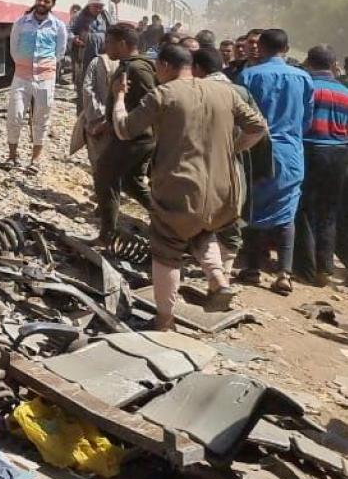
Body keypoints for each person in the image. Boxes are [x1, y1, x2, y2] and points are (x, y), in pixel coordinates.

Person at [111, 43, 267, 330]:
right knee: (203, 230)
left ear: (167, 67)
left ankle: (165, 319)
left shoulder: (163, 94)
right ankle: (218, 280)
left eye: (158, 67)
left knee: (167, 251)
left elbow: (124, 129)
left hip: (179, 189)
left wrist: (119, 97)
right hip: (223, 191)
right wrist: (233, 149)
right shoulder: (225, 92)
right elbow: (258, 127)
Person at [238, 28, 315, 294]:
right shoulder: (304, 78)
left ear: (262, 47)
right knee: (286, 212)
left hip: (256, 151)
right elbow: (306, 120)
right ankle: (284, 273)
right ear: (287, 48)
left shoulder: (249, 75)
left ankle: (251, 268)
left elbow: (240, 119)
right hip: (291, 153)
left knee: (250, 208)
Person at [192, 46, 270, 280]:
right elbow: (260, 128)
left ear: (197, 68)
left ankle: (211, 269)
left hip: (200, 162)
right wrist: (235, 148)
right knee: (231, 212)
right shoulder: (240, 91)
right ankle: (223, 270)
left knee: (198, 211)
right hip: (232, 165)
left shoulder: (196, 90)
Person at [93, 23, 157, 245]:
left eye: (109, 42)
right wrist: (108, 123)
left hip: (133, 137)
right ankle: (164, 217)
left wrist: (131, 127)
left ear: (122, 44)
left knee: (105, 176)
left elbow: (152, 101)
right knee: (131, 182)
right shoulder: (130, 66)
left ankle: (107, 235)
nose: (105, 46)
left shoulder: (137, 69)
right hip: (134, 135)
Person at [297, 46, 348, 285]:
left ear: (309, 62)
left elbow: (300, 119)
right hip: (339, 153)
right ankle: (325, 268)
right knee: (329, 210)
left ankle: (306, 268)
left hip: (310, 148)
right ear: (332, 65)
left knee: (305, 208)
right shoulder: (344, 91)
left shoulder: (307, 86)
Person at [7, 0, 71, 169]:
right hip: (22, 76)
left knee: (41, 118)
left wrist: (45, 67)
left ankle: (35, 159)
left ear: (52, 4)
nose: (42, 3)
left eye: (46, 1)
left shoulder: (58, 26)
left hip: (45, 78)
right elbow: (14, 48)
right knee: (15, 115)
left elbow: (59, 52)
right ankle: (12, 156)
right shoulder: (21, 23)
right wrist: (23, 64)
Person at [77, 36, 119, 169]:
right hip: (120, 120)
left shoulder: (96, 62)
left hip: (97, 118)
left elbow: (87, 89)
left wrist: (98, 114)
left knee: (97, 159)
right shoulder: (129, 64)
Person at [70, 0, 113, 112]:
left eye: (101, 7)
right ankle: (83, 111)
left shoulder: (105, 17)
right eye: (96, 7)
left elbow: (113, 30)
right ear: (89, 6)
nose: (98, 10)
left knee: (101, 82)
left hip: (102, 54)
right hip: (84, 55)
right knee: (84, 83)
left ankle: (99, 110)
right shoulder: (80, 17)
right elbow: (70, 31)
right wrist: (74, 39)